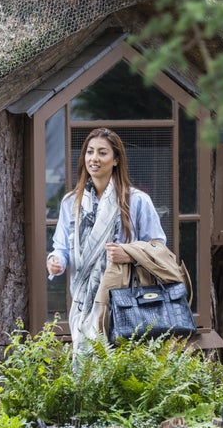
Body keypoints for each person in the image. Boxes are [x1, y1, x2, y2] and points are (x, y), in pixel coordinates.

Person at [46, 128, 166, 353]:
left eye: (102, 153)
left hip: (126, 302)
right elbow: (61, 247)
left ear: (116, 159)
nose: (94, 158)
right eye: (90, 152)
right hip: (83, 305)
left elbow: (159, 248)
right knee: (87, 371)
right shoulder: (71, 202)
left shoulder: (137, 201)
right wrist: (55, 260)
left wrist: (129, 254)